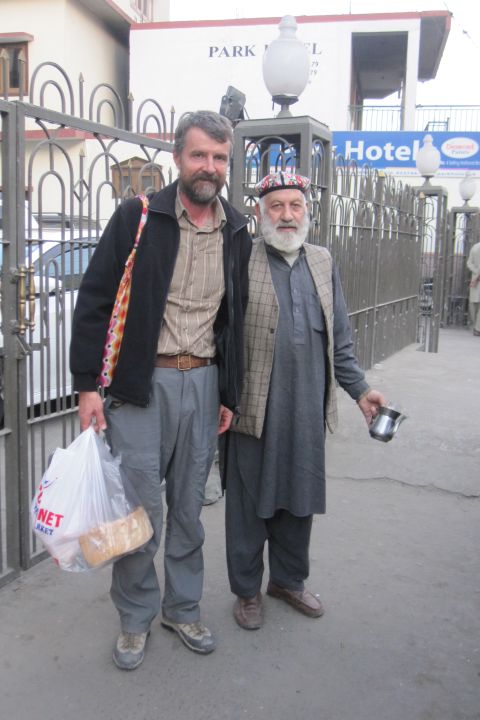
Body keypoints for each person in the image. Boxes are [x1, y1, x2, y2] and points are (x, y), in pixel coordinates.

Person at [70, 110, 251, 668]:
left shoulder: (238, 229)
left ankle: (183, 606)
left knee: (191, 509)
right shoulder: (140, 217)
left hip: (203, 382)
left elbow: (234, 317)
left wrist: (229, 393)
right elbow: (96, 299)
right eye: (199, 155)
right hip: (140, 388)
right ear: (177, 159)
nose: (210, 167)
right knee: (139, 513)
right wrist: (87, 386)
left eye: (219, 158)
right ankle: (134, 617)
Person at [223, 171, 386, 631]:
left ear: (306, 211)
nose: (287, 215)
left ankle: (288, 581)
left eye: (295, 205)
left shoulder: (321, 260)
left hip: (305, 409)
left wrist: (359, 390)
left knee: (299, 496)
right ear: (260, 212)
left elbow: (341, 338)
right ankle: (248, 591)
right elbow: (222, 335)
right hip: (253, 409)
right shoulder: (241, 258)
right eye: (277, 206)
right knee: (249, 504)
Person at [467, 240, 480, 336]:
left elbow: (469, 263)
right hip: (477, 279)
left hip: (475, 280)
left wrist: (476, 271)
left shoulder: (475, 247)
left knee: (473, 303)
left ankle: (476, 325)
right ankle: (477, 327)